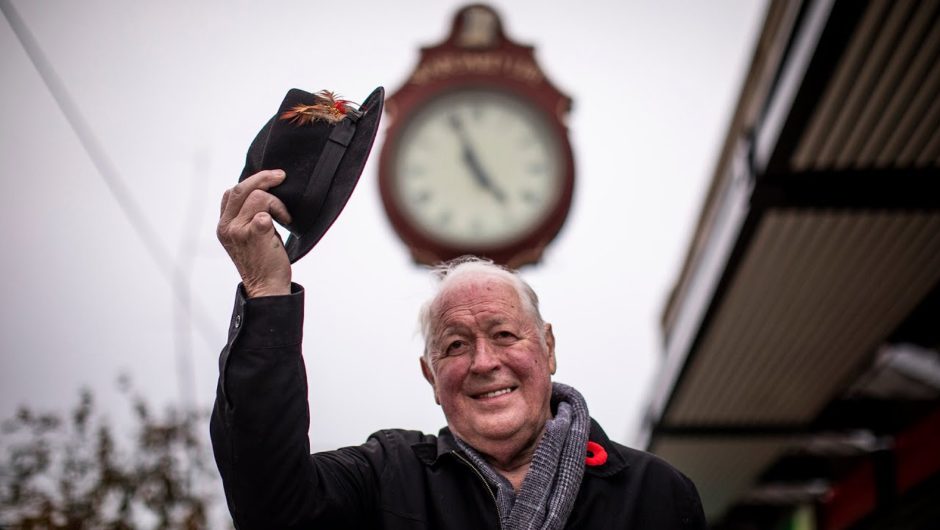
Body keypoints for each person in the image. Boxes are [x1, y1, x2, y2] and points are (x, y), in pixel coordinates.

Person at [211, 169, 706, 529]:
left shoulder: (656, 493)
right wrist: (266, 290)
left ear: (548, 348)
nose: (485, 362)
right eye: (455, 345)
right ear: (431, 377)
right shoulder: (388, 477)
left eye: (505, 335)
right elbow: (270, 505)